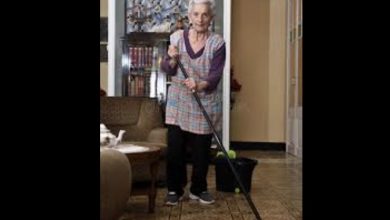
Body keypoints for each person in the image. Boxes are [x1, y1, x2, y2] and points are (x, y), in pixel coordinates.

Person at [160, 0, 226, 206]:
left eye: (204, 15)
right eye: (196, 14)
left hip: (204, 100)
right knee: (175, 148)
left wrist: (199, 84)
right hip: (179, 100)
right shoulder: (177, 38)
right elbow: (167, 68)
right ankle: (174, 189)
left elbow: (215, 75)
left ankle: (199, 188)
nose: (200, 19)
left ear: (211, 18)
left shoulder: (217, 43)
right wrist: (171, 59)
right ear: (189, 16)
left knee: (201, 150)